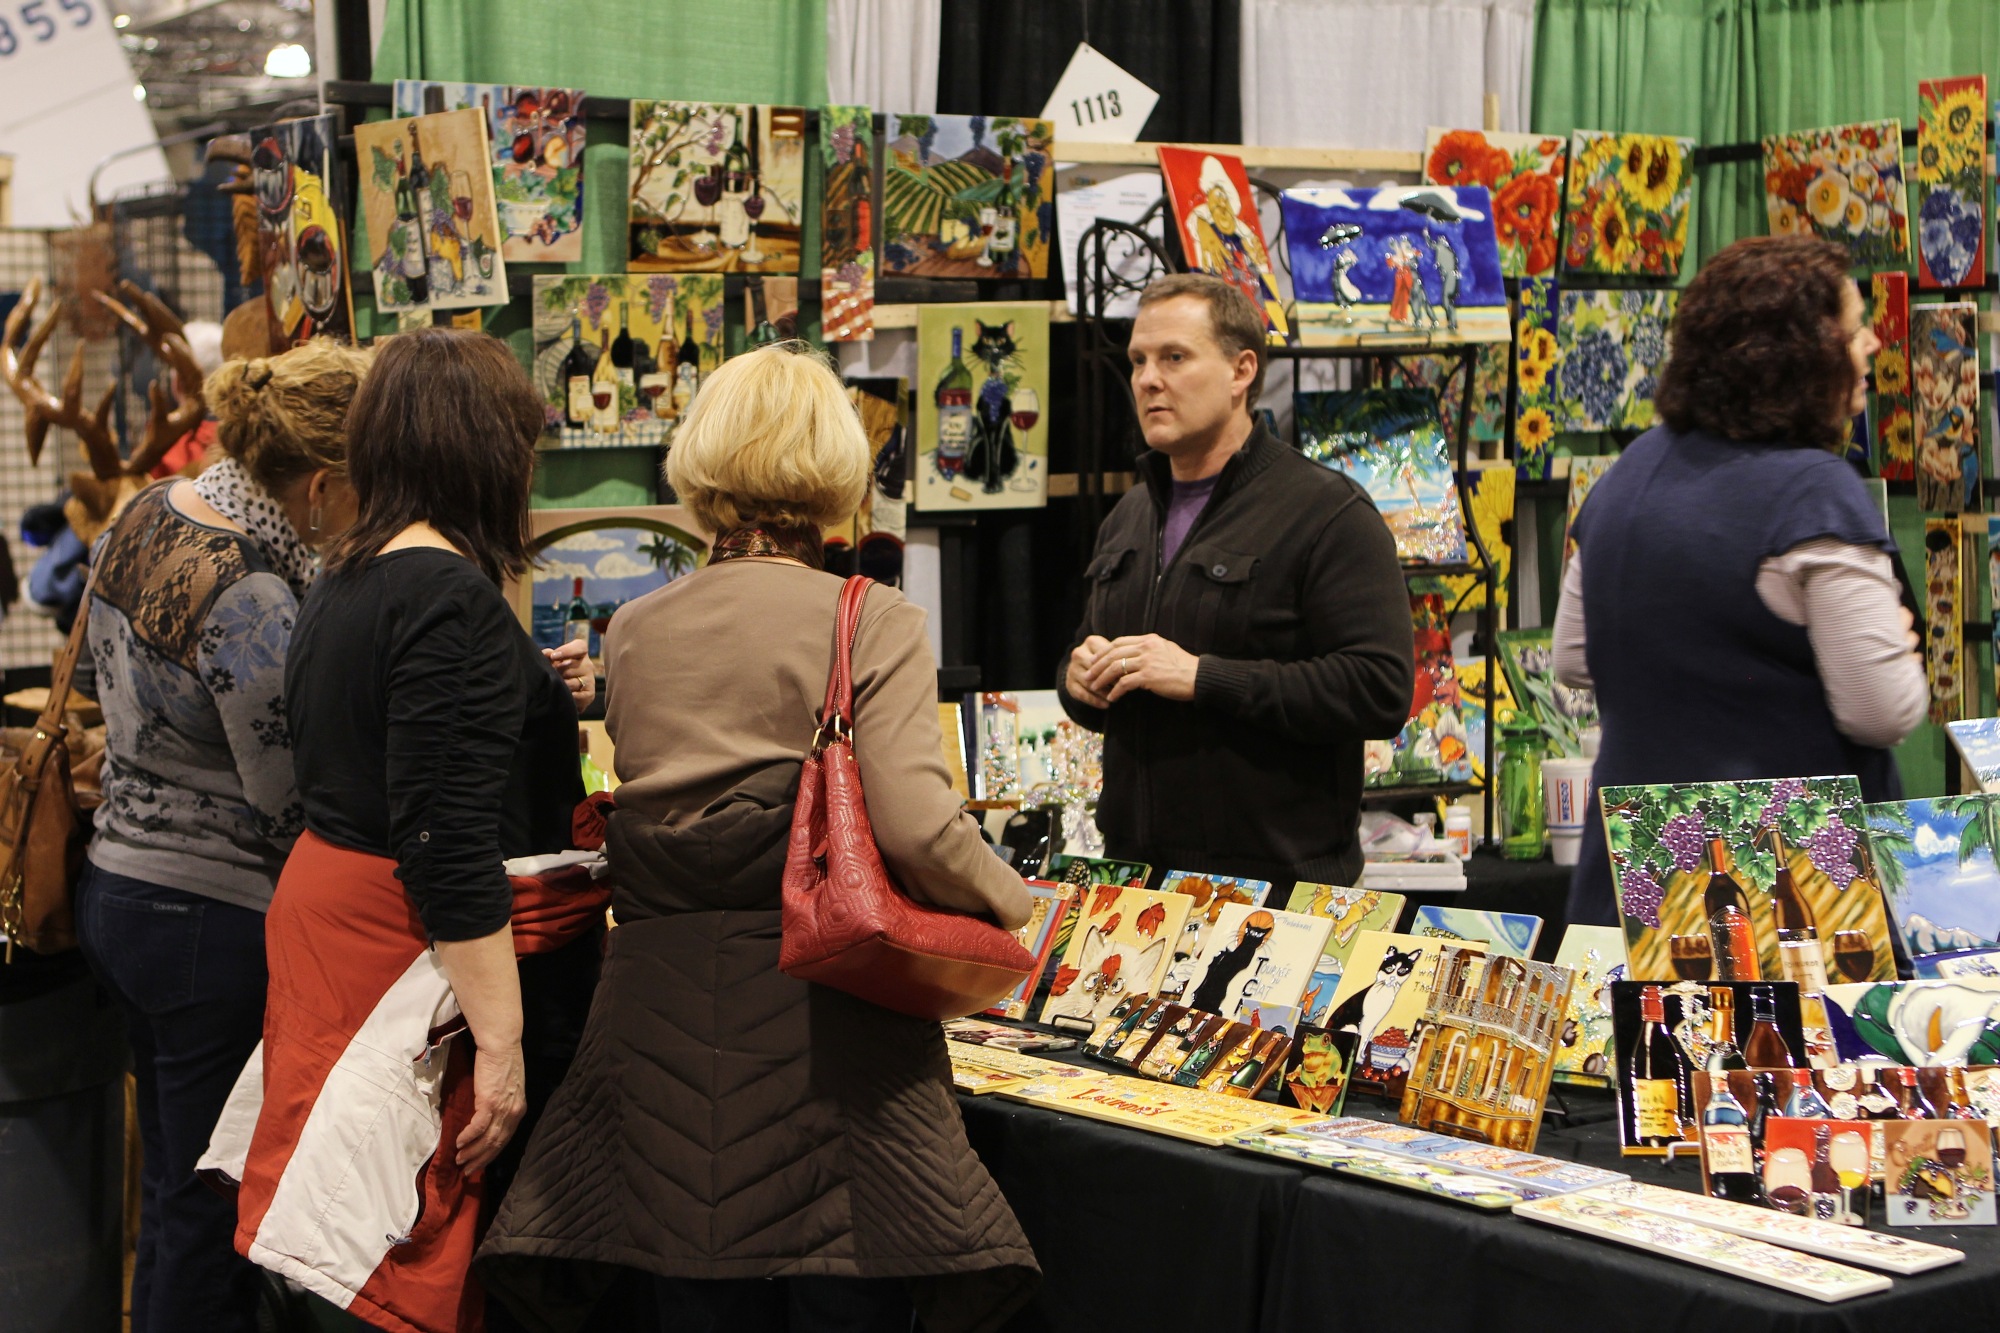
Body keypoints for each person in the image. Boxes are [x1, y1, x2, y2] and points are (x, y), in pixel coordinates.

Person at [478, 343, 1039, 1333]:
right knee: (843, 1297)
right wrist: (1018, 905)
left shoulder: (634, 629)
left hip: (655, 1029)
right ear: (834, 466)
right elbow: (915, 826)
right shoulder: (871, 618)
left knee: (695, 1295)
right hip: (832, 1031)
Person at [227, 328, 595, 1330]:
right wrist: (504, 1045)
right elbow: (443, 836)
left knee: (334, 1227)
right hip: (405, 953)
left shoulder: (347, 573)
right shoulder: (447, 596)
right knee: (395, 1244)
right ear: (489, 452)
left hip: (338, 925)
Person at [70, 337, 369, 1333]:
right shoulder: (251, 591)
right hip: (207, 917)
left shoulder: (149, 510)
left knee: (170, 1188)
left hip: (117, 887)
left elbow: (89, 679)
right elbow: (287, 799)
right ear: (319, 485)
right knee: (210, 1214)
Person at [1556, 235, 1926, 925]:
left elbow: (1573, 659)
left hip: (1638, 893)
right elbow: (1883, 709)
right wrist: (1897, 642)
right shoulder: (1814, 493)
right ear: (1803, 355)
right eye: (1854, 330)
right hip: (1780, 901)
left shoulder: (1626, 475)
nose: (1874, 343)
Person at [1056, 273, 1414, 887]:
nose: (1147, 379)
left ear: (1241, 371)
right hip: (1134, 886)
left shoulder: (1325, 512)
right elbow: (1096, 674)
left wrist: (1203, 678)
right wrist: (1078, 679)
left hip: (1278, 896)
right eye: (1138, 360)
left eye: (1174, 357)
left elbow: (1379, 689)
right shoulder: (1130, 517)